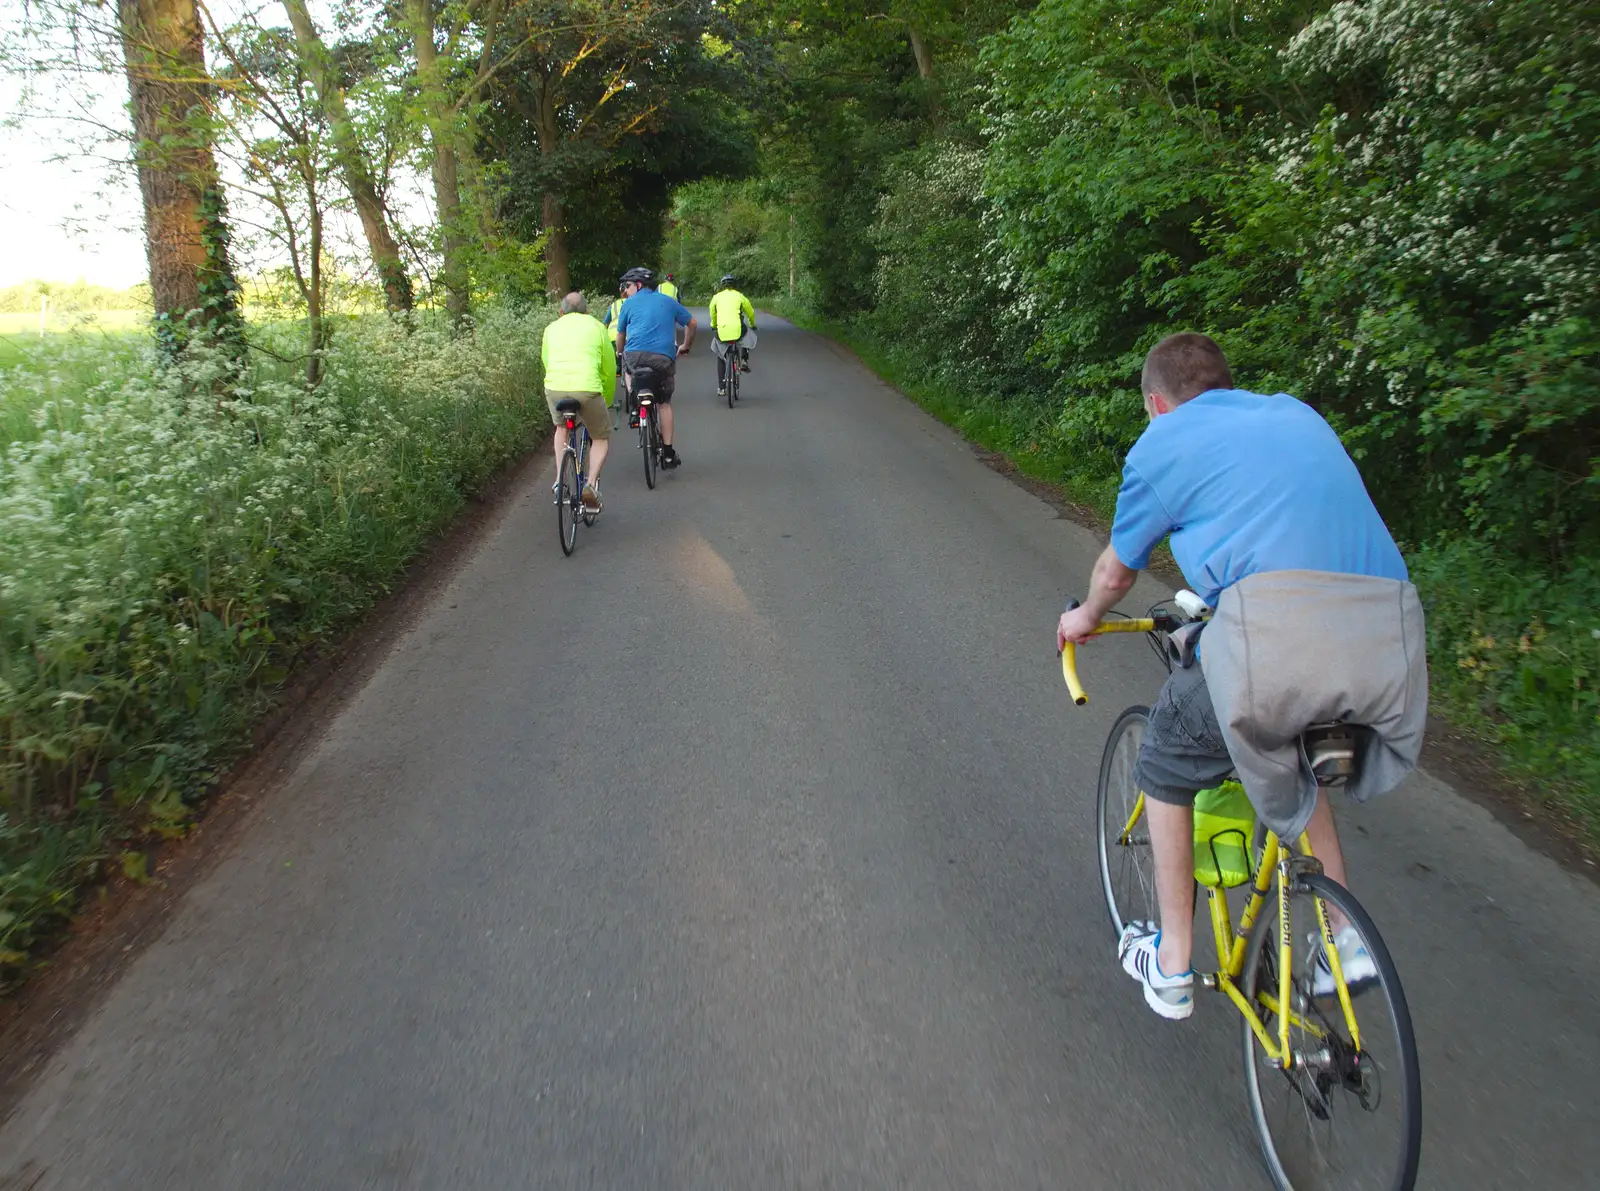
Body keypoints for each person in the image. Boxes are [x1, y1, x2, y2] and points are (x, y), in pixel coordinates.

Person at [1056, 332, 1427, 1021]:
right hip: (1391, 642)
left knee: (1167, 752)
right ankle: (1348, 940)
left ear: (1155, 403)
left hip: (1281, 646)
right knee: (1297, 745)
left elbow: (1117, 569)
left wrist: (1086, 616)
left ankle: (1170, 962)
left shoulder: (1162, 444)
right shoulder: (1295, 414)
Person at [614, 266, 696, 469]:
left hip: (635, 357)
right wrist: (686, 345)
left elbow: (620, 334)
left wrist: (619, 350)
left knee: (627, 367)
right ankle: (668, 453)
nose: (626, 290)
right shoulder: (669, 301)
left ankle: (635, 404)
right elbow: (692, 323)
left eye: (629, 285)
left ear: (639, 285)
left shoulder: (628, 304)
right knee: (664, 403)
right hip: (663, 358)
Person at [541, 291, 616, 509]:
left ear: (561, 311)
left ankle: (559, 480)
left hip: (555, 387)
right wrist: (606, 398)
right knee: (600, 437)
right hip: (587, 388)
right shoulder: (596, 326)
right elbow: (609, 368)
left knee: (561, 428)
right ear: (588, 311)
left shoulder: (550, 328)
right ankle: (590, 485)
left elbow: (547, 361)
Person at [708, 274, 757, 396]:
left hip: (722, 331)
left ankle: (721, 388)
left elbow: (712, 313)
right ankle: (744, 359)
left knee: (720, 354)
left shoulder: (717, 297)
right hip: (737, 330)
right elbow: (750, 312)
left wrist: (714, 325)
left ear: (723, 286)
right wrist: (752, 324)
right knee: (747, 333)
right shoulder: (740, 296)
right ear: (735, 285)